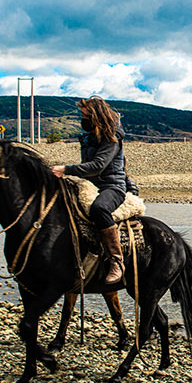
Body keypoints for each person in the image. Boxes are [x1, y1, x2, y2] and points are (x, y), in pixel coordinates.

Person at [52, 96, 127, 284]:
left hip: (112, 186)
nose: (82, 119)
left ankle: (117, 260)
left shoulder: (112, 136)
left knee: (99, 209)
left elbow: (98, 165)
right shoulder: (89, 137)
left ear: (96, 116)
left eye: (85, 115)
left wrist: (66, 169)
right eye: (82, 115)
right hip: (90, 185)